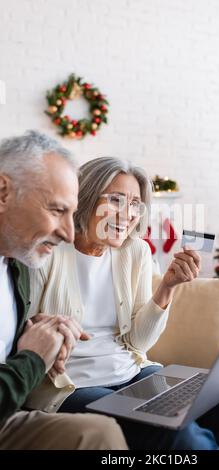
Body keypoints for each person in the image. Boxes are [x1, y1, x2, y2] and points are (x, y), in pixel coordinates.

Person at [28, 156, 219, 450]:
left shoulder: (135, 251)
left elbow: (138, 343)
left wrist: (167, 287)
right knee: (180, 437)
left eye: (136, 204)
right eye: (116, 200)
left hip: (133, 372)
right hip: (71, 385)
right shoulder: (48, 250)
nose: (128, 214)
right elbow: (23, 330)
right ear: (84, 197)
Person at [0, 131, 127, 450]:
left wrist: (45, 333)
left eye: (72, 213)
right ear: (3, 192)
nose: (70, 234)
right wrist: (32, 358)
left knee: (101, 433)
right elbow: (24, 366)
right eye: (57, 210)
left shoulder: (18, 265)